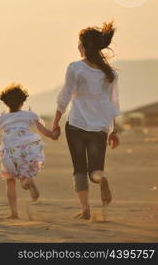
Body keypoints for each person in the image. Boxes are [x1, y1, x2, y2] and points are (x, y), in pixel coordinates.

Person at [51, 21, 120, 220]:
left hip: (76, 125)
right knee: (95, 170)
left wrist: (55, 123)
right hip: (100, 128)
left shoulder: (76, 68)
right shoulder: (110, 74)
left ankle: (85, 209)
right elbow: (113, 103)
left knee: (79, 168)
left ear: (83, 46)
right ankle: (102, 178)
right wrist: (113, 130)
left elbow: (64, 96)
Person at [0, 83, 59, 219]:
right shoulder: (29, 115)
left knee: (10, 181)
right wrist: (53, 135)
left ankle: (13, 212)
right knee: (25, 173)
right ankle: (27, 181)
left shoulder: (0, 119)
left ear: (5, 102)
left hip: (9, 152)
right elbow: (44, 131)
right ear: (23, 101)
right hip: (26, 148)